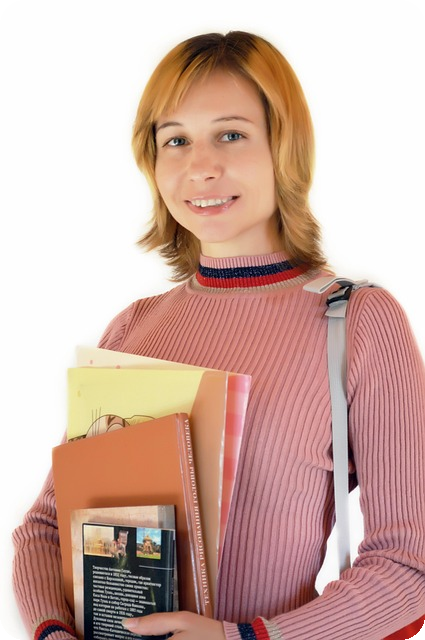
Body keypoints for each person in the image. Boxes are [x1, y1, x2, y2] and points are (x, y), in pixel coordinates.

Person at [12, 31, 425, 640]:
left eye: (230, 134)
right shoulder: (133, 326)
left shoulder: (358, 322)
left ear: (284, 146)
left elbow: (408, 568)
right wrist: (51, 633)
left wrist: (244, 639)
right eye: (175, 140)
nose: (200, 167)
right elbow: (46, 530)